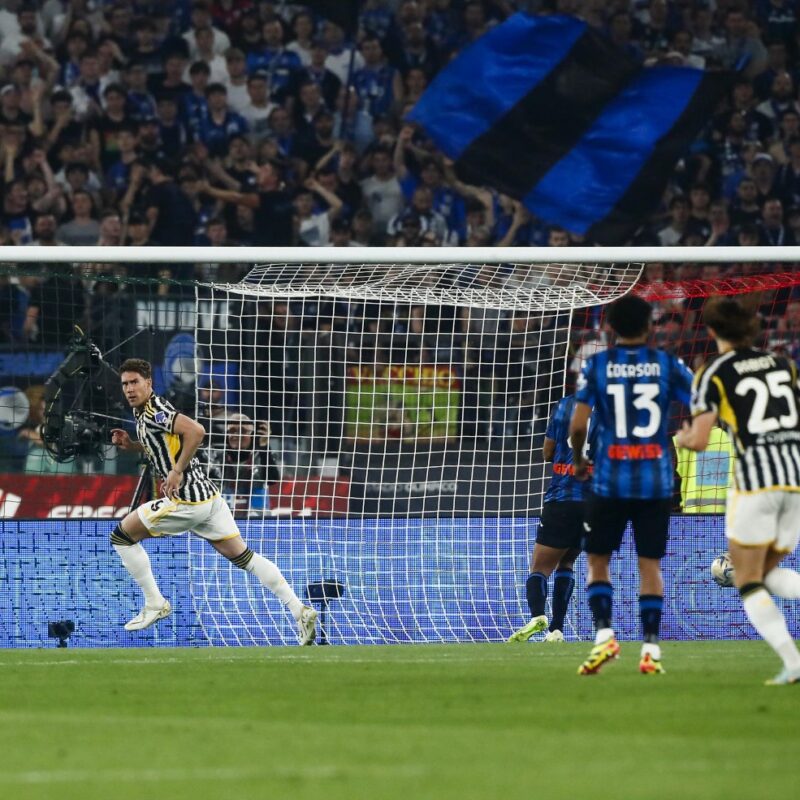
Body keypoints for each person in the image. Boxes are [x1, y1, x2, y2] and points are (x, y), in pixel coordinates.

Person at [110, 358, 317, 644]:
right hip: (208, 497)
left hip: (186, 500)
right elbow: (163, 445)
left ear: (149, 383)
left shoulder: (156, 410)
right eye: (125, 384)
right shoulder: (144, 412)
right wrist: (131, 445)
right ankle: (300, 611)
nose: (130, 389)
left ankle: (155, 603)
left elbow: (196, 431)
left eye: (135, 382)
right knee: (245, 557)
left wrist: (176, 471)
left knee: (121, 537)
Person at [675, 296, 800, 685]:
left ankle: (793, 663)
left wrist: (681, 438)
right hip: (794, 477)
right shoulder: (784, 365)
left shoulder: (712, 372)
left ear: (711, 331)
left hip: (756, 481)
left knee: (746, 578)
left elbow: (698, 439)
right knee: (765, 570)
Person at [570, 294, 693, 676]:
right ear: (650, 326)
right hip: (655, 482)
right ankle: (651, 649)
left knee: (597, 560)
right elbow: (702, 406)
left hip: (608, 480)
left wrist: (578, 459)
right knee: (649, 565)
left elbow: (577, 425)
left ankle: (604, 636)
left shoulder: (598, 365)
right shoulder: (667, 365)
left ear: (610, 327)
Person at [508, 394, 594, 644]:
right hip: (594, 503)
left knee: (540, 568)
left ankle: (538, 616)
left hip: (563, 498)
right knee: (566, 563)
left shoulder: (565, 405)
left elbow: (547, 452)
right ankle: (556, 630)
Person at [207, 413, 280, 517]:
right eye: (232, 431)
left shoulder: (262, 455)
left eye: (243, 431)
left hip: (257, 522)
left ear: (252, 434)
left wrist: (264, 446)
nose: (237, 435)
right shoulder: (216, 458)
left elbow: (272, 480)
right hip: (223, 520)